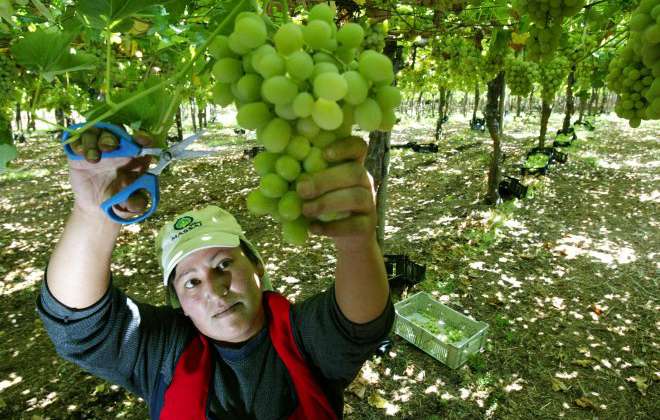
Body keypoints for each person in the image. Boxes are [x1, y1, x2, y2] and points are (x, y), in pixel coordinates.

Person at [37, 127, 394, 419]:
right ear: (178, 302)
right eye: (191, 281)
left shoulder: (301, 335)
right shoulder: (164, 352)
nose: (215, 288)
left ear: (257, 266)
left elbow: (356, 325)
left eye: (224, 264)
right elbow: (78, 324)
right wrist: (92, 211)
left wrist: (357, 246)